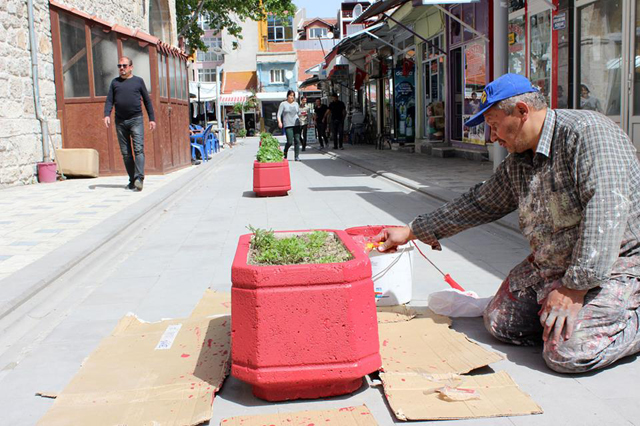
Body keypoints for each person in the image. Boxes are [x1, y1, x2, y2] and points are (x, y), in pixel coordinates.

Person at [375, 73, 640, 374]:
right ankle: (580, 316)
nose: (492, 138)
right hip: (553, 265)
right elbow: (479, 203)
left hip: (616, 265)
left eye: (494, 125)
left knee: (567, 353)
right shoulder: (519, 162)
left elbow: (606, 213)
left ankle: (624, 314)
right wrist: (412, 231)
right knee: (501, 322)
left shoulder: (589, 134)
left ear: (522, 112)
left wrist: (574, 289)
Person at [103, 56, 155, 191]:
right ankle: (132, 180)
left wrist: (152, 118)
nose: (121, 68)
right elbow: (109, 100)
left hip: (136, 119)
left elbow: (147, 101)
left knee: (138, 149)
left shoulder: (138, 81)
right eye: (119, 66)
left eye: (124, 66)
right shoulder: (114, 83)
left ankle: (139, 178)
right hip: (120, 121)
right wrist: (106, 115)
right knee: (126, 153)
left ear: (131, 67)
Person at [277, 90, 301, 161]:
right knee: (290, 141)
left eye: (293, 96)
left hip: (296, 124)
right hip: (288, 125)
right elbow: (279, 114)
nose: (292, 97)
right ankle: (285, 151)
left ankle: (296, 156)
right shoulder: (283, 104)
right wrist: (280, 122)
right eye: (290, 95)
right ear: (287, 96)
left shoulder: (296, 104)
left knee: (297, 140)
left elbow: (299, 113)